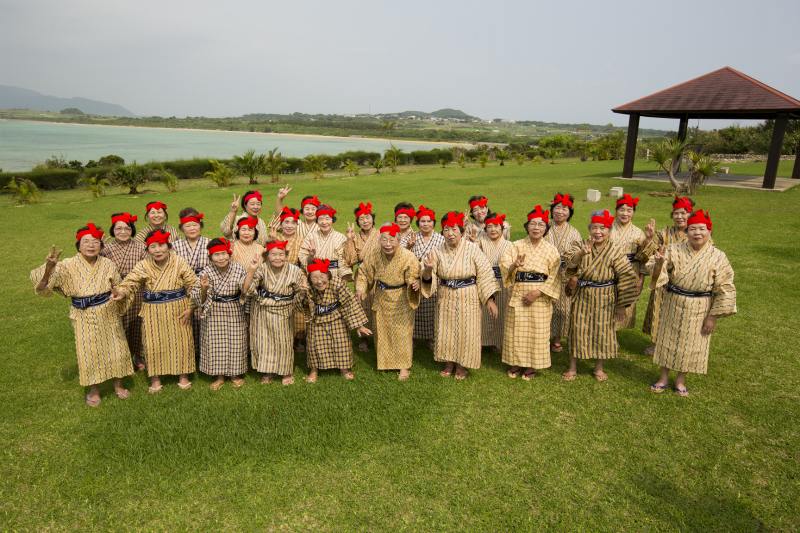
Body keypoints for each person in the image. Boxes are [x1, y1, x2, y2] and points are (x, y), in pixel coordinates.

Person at [31, 224, 134, 406]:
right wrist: (49, 267)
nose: (91, 245)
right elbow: (41, 287)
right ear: (78, 246)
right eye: (86, 242)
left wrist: (120, 293)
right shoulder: (67, 265)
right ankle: (94, 390)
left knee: (117, 349)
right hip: (83, 314)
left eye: (95, 242)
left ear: (101, 246)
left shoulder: (107, 264)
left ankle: (118, 385)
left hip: (108, 311)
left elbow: (121, 285)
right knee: (89, 351)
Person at [647, 210, 736, 396]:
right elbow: (656, 270)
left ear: (709, 232)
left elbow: (725, 287)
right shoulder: (674, 250)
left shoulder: (719, 256)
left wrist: (713, 317)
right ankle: (663, 377)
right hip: (673, 301)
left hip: (700, 306)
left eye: (702, 229)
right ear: (687, 232)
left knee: (692, 343)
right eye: (692, 229)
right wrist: (658, 263)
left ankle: (680, 380)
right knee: (667, 340)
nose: (697, 233)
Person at [110, 229, 198, 393]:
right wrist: (121, 293)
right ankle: (155, 378)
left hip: (178, 308)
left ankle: (183, 375)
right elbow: (130, 282)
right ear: (147, 249)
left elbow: (193, 285)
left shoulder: (179, 261)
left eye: (161, 245)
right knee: (153, 342)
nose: (158, 250)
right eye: (152, 247)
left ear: (168, 246)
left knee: (182, 341)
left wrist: (191, 308)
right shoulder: (143, 265)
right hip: (152, 311)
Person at [421, 211, 499, 379]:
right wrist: (427, 270)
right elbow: (428, 277)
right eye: (446, 229)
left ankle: (462, 364)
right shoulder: (436, 250)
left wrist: (489, 300)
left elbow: (485, 273)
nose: (450, 233)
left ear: (461, 231)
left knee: (467, 330)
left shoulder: (473, 249)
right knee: (446, 330)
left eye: (454, 229)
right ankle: (448, 362)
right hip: (445, 296)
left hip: (469, 296)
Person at [562, 210, 638, 381]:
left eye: (602, 228)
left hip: (606, 297)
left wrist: (621, 305)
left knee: (603, 330)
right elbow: (570, 263)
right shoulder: (579, 244)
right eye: (594, 227)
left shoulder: (616, 250)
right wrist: (582, 253)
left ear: (609, 231)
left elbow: (626, 276)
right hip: (583, 295)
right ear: (589, 229)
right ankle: (572, 366)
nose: (598, 232)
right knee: (577, 329)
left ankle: (598, 367)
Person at [499, 207, 561, 380]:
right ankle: (515, 362)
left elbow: (555, 276)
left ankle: (532, 365)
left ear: (546, 228)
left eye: (541, 224)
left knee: (537, 331)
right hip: (518, 293)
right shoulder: (516, 245)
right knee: (516, 330)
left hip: (540, 296)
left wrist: (537, 292)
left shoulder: (551, 250)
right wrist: (514, 265)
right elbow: (504, 265)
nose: (536, 227)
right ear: (527, 227)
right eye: (533, 224)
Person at [355, 223, 422, 380]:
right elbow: (364, 271)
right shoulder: (375, 253)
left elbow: (414, 273)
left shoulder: (407, 256)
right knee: (382, 331)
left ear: (399, 241)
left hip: (401, 298)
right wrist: (360, 288)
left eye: (392, 240)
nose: (388, 244)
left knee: (402, 333)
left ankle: (404, 366)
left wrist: (414, 282)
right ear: (379, 241)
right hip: (382, 296)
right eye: (384, 240)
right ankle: (385, 362)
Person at [642, 196, 705, 355]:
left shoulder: (696, 232)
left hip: (686, 282)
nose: (679, 216)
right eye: (676, 213)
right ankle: (656, 344)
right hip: (663, 281)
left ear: (690, 214)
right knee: (660, 312)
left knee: (682, 314)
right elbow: (649, 253)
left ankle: (677, 344)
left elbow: (707, 252)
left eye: (683, 213)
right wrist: (649, 238)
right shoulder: (664, 232)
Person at [293, 259, 372, 382]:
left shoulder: (337, 283)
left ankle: (344, 369)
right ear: (309, 279)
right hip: (317, 320)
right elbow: (299, 307)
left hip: (336, 318)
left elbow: (349, 303)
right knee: (314, 346)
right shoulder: (306, 287)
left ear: (327, 275)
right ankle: (314, 371)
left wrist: (359, 326)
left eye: (322, 276)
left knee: (342, 344)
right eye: (314, 278)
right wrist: (302, 294)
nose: (319, 281)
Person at [244, 240, 306, 385]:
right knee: (265, 342)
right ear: (267, 256)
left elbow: (299, 294)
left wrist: (302, 292)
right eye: (273, 254)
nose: (278, 258)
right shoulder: (261, 268)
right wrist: (252, 269)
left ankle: (286, 372)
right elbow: (247, 289)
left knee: (283, 342)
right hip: (263, 310)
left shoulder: (294, 270)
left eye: (281, 254)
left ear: (286, 255)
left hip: (284, 310)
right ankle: (269, 370)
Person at [190, 238, 248, 390]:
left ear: (229, 254)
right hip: (214, 309)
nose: (221, 258)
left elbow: (246, 290)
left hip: (235, 308)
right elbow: (199, 299)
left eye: (224, 253)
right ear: (210, 257)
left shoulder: (239, 268)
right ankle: (219, 376)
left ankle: (235, 374)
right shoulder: (205, 273)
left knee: (236, 341)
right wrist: (204, 289)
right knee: (216, 342)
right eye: (216, 255)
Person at [101, 212, 148, 371]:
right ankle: (120, 356)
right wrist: (99, 249)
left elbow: (146, 267)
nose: (123, 232)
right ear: (113, 230)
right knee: (117, 324)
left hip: (136, 289)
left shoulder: (141, 248)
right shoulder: (106, 248)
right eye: (118, 228)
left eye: (127, 228)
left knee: (137, 323)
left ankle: (137, 354)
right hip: (113, 290)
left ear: (132, 230)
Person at [610, 195, 656, 332]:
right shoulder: (607, 228)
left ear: (633, 212)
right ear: (616, 210)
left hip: (631, 271)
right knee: (607, 299)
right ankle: (606, 333)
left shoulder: (638, 232)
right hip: (609, 269)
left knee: (624, 301)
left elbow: (643, 257)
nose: (625, 213)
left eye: (629, 210)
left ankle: (615, 333)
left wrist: (648, 239)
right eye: (621, 209)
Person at [403, 205, 445, 350]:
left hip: (433, 279)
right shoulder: (411, 237)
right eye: (422, 221)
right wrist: (408, 247)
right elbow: (399, 254)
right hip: (414, 278)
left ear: (434, 223)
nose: (426, 224)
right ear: (417, 223)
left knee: (431, 310)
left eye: (429, 221)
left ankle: (428, 339)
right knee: (414, 309)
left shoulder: (440, 238)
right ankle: (413, 339)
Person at [266, 204, 307, 352]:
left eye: (293, 223)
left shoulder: (302, 240)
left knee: (297, 308)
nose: (289, 226)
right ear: (281, 224)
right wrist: (270, 243)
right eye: (286, 222)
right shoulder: (274, 238)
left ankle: (297, 340)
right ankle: (280, 339)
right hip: (277, 274)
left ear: (297, 225)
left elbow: (305, 261)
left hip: (296, 273)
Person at [544, 193, 582, 353]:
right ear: (552, 210)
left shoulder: (574, 232)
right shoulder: (543, 227)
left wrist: (574, 278)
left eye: (564, 209)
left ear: (570, 212)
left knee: (563, 308)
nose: (560, 211)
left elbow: (580, 256)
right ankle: (543, 337)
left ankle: (557, 338)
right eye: (557, 207)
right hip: (545, 272)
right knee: (544, 306)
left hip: (566, 273)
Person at [172, 208, 210, 358]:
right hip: (184, 287)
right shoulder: (175, 246)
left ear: (200, 225)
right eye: (187, 225)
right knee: (186, 321)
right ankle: (188, 354)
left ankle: (205, 353)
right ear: (181, 228)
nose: (192, 228)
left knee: (204, 319)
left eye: (195, 225)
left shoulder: (208, 243)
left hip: (205, 286)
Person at [344, 202, 380, 352]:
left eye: (368, 218)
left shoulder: (380, 235)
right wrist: (350, 239)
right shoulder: (355, 237)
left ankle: (379, 336)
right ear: (357, 222)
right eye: (361, 219)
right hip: (362, 274)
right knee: (362, 304)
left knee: (378, 305)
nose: (365, 221)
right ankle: (364, 339)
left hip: (379, 274)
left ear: (372, 218)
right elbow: (350, 260)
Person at [475, 212, 512, 353]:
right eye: (489, 227)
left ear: (502, 228)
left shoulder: (510, 245)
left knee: (501, 310)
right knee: (483, 313)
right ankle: (481, 341)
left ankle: (496, 342)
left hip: (503, 282)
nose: (492, 229)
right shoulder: (480, 243)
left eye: (496, 226)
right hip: (484, 280)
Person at [298, 205, 353, 281]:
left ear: (332, 221)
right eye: (320, 219)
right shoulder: (310, 237)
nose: (324, 222)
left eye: (327, 219)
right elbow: (302, 258)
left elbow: (344, 261)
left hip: (335, 276)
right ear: (317, 221)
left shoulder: (340, 237)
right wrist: (311, 255)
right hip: (316, 276)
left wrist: (342, 282)